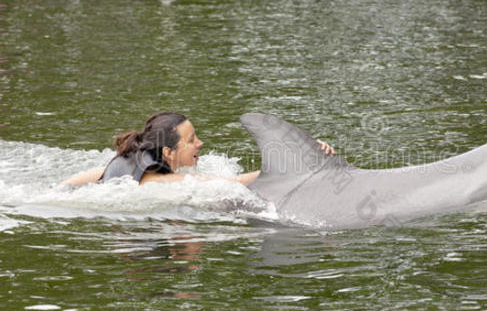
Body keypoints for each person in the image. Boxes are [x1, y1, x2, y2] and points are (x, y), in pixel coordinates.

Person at [61, 112, 335, 186]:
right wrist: (298, 161)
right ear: (168, 153)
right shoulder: (168, 181)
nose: (200, 144)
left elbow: (82, 179)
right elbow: (232, 182)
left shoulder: (130, 160)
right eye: (191, 140)